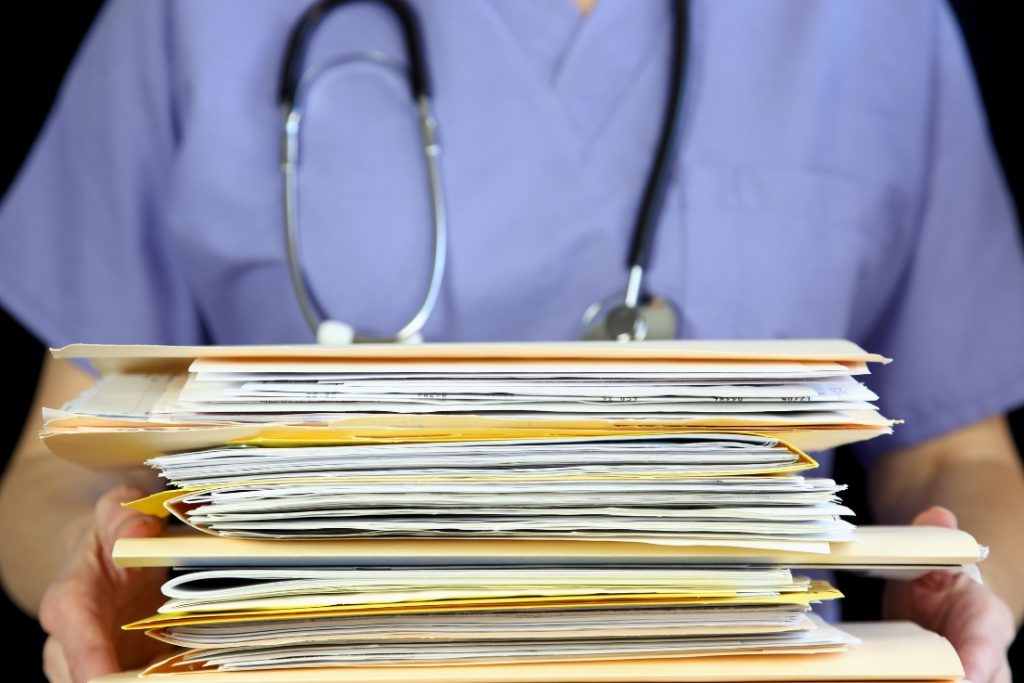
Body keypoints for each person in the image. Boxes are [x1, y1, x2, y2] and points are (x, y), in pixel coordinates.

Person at [1, 1, 1023, 682]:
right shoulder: (185, 21)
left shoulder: (879, 23)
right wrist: (95, 576)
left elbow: (953, 453)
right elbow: (61, 462)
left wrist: (966, 592)